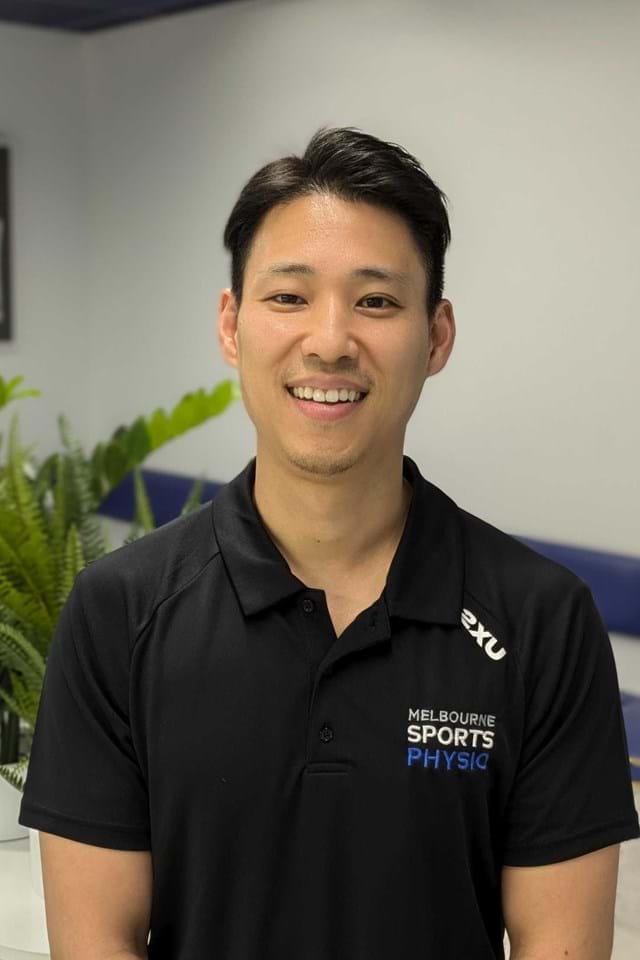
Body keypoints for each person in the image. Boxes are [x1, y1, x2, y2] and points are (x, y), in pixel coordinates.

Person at [19, 126, 639, 960]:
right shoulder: (117, 614)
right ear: (232, 326)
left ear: (437, 336)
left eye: (376, 301)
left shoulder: (542, 621)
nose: (330, 340)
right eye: (289, 297)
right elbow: (99, 942)